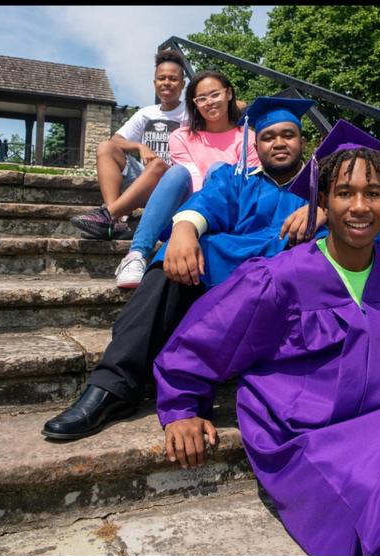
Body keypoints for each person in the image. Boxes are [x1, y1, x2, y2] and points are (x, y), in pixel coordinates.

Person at [154, 120, 380, 556]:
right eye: (344, 193)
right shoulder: (278, 278)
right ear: (322, 201)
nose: (359, 206)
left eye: (373, 193)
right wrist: (181, 408)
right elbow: (203, 341)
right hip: (315, 433)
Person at [42, 97, 324, 440]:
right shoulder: (236, 180)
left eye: (288, 135)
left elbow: (358, 237)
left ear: (302, 141)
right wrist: (184, 229)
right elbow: (205, 203)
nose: (278, 142)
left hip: (279, 299)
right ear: (256, 144)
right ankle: (112, 386)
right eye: (268, 137)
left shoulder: (321, 193)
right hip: (226, 283)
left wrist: (325, 213)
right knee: (168, 265)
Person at [113, 70, 260, 288]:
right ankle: (136, 254)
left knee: (220, 171)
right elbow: (192, 178)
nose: (209, 102)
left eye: (215, 94)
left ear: (228, 94)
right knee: (177, 172)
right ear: (194, 103)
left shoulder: (248, 137)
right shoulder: (181, 136)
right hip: (183, 218)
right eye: (201, 98)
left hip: (228, 217)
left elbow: (248, 185)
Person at [69, 50, 190, 241]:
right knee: (105, 148)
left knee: (157, 165)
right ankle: (115, 221)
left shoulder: (191, 112)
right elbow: (116, 140)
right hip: (143, 181)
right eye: (161, 78)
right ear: (154, 83)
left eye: (173, 79)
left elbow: (233, 105)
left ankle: (107, 214)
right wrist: (139, 147)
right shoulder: (146, 113)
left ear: (182, 84)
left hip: (172, 183)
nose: (166, 82)